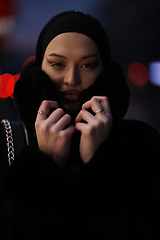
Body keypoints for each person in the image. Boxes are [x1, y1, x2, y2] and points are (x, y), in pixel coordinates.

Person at [0, 11, 160, 239]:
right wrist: (44, 163)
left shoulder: (142, 143)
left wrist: (101, 161)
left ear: (104, 72)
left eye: (87, 65)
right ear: (39, 71)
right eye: (57, 64)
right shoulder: (7, 140)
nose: (72, 79)